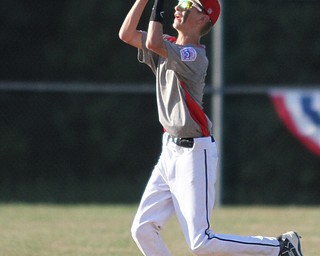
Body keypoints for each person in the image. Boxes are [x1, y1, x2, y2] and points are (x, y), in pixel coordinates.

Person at [119, 0, 303, 255]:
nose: (179, 7)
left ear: (204, 18)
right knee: (142, 229)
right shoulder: (169, 45)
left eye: (187, 4)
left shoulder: (194, 55)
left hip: (194, 154)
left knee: (201, 242)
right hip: (169, 151)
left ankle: (280, 248)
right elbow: (126, 34)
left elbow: (153, 42)